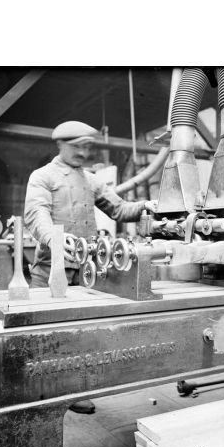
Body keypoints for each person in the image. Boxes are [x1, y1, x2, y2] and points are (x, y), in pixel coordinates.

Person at [24, 120, 157, 413]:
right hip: (50, 270)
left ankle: (70, 393)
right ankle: (35, 395)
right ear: (61, 145)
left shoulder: (91, 179)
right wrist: (57, 239)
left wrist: (147, 205)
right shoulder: (43, 176)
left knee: (78, 333)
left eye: (87, 147)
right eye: (78, 147)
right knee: (42, 337)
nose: (83, 153)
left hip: (84, 270)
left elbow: (119, 209)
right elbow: (36, 215)